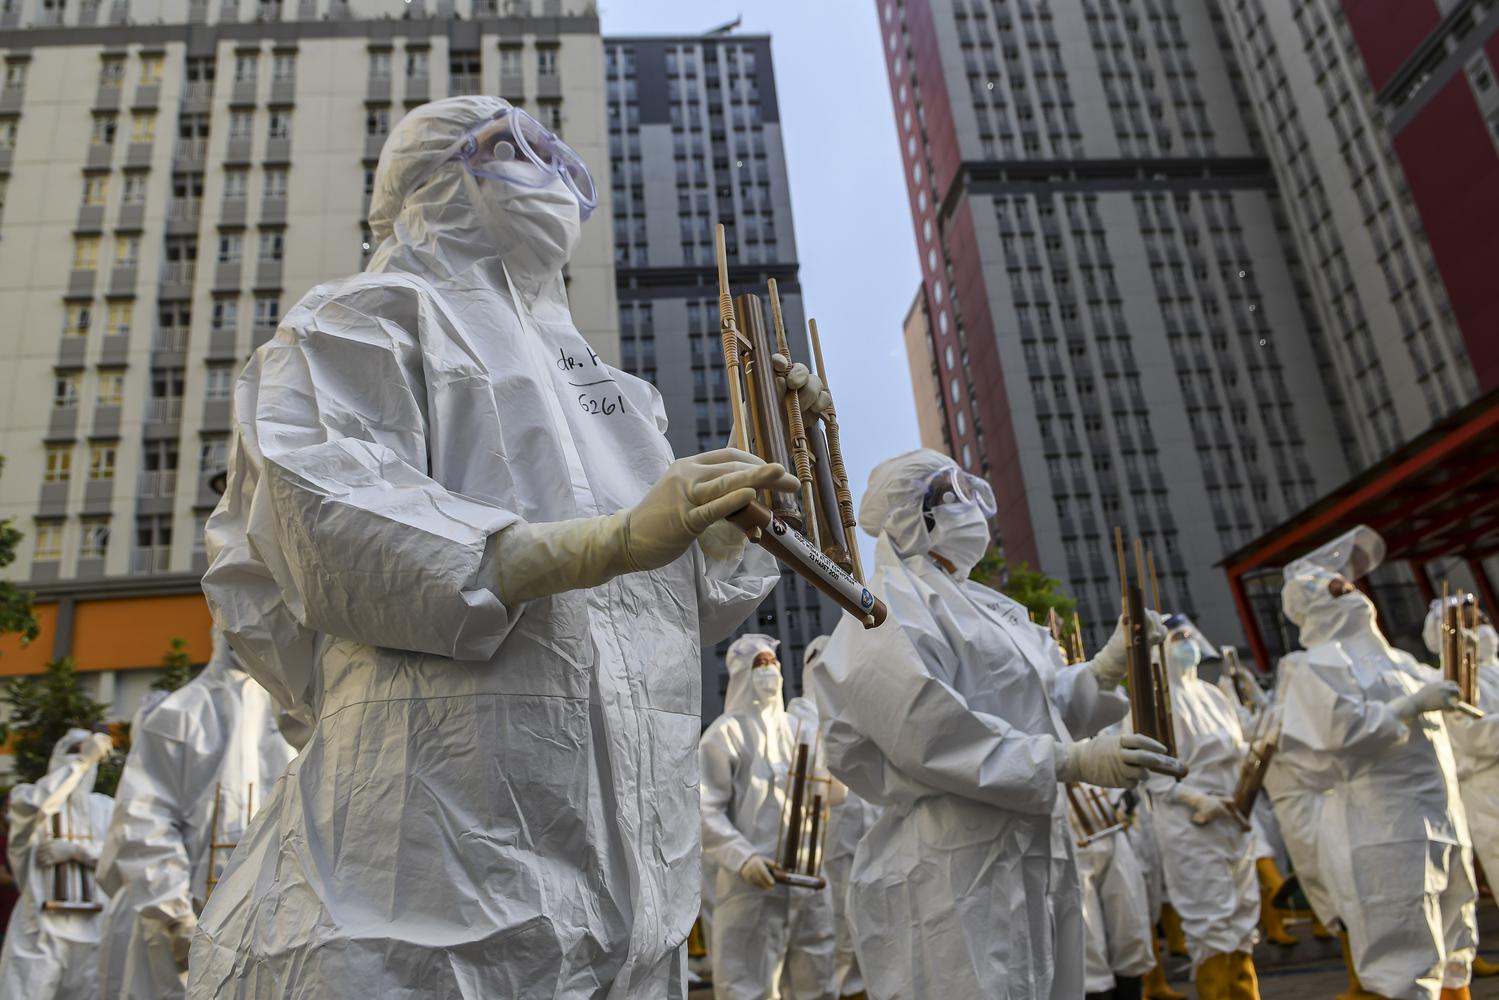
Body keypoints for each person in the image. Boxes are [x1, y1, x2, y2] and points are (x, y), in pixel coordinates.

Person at [188, 96, 795, 999]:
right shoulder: (360, 319)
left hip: (635, 891)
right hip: (429, 871)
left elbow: (668, 611)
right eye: (515, 146)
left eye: (557, 150)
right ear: (431, 176)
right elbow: (333, 527)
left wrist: (730, 523)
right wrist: (611, 540)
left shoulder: (617, 394)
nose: (549, 167)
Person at [806, 449, 1182, 1000]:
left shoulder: (987, 606)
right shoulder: (885, 611)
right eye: (952, 490)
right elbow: (929, 732)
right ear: (914, 515)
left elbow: (1043, 705)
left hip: (1031, 844)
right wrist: (1068, 760)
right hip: (952, 858)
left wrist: (1104, 668)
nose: (974, 505)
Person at [1279, 527, 1477, 1000]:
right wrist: (1408, 708)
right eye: (1333, 587)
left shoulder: (1401, 661)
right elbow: (1338, 736)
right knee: (1404, 957)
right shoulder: (1314, 666)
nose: (1348, 589)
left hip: (1441, 817)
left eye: (1347, 583)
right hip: (1384, 827)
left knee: (1454, 942)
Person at [96, 631, 296, 999]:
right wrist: (174, 917)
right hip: (183, 922)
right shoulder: (181, 713)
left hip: (267, 927)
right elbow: (144, 820)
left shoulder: (288, 718)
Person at [700, 634, 836, 1000]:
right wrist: (742, 858)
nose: (769, 671)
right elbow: (702, 808)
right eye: (759, 665)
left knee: (817, 980)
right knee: (748, 985)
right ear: (742, 673)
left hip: (808, 880)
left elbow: (828, 793)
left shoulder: (798, 730)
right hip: (753, 886)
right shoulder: (725, 734)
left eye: (772, 663)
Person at [1145, 617, 1261, 1000]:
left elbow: (1237, 745)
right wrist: (1197, 798)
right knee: (1209, 919)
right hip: (1189, 823)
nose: (1189, 643)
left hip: (1235, 814)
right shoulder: (1152, 702)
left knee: (1243, 916)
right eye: (1179, 638)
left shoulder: (1213, 694)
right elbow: (1156, 776)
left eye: (1192, 635)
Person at [0, 729, 116, 998]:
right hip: (40, 931)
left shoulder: (105, 808)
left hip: (95, 931)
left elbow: (120, 855)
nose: (81, 757)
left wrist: (76, 850)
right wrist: (82, 763)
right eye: (73, 751)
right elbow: (39, 805)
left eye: (86, 751)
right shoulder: (26, 800)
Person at [1422, 596, 1499, 978]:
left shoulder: (1494, 668)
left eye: (1482, 616)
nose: (1481, 623)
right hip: (1488, 788)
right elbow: (1472, 737)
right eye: (1471, 619)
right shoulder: (1451, 678)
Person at [799, 636, 878, 1000]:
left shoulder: (862, 716)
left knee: (874, 923)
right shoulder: (799, 720)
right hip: (826, 844)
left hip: (871, 838)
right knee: (837, 929)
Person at [1074, 785, 1155, 1000]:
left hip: (1108, 829)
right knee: (1087, 946)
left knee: (1131, 928)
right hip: (1068, 842)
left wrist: (1121, 795)